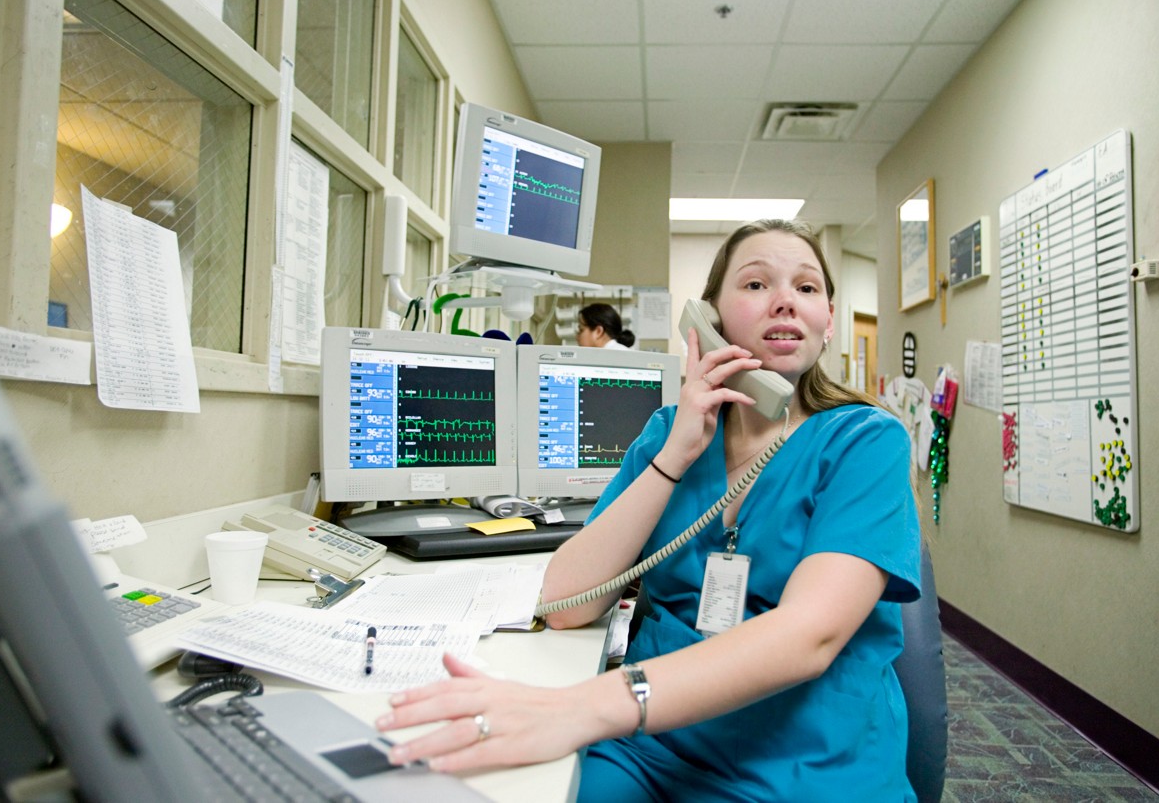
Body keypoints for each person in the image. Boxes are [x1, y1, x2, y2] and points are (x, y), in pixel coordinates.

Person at [375, 219, 922, 801]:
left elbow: (807, 636)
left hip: (804, 762)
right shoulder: (668, 433)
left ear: (828, 319)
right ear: (709, 317)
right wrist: (675, 456)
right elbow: (567, 605)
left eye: (807, 289)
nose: (785, 300)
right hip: (654, 746)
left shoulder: (867, 441)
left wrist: (582, 707)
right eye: (757, 285)